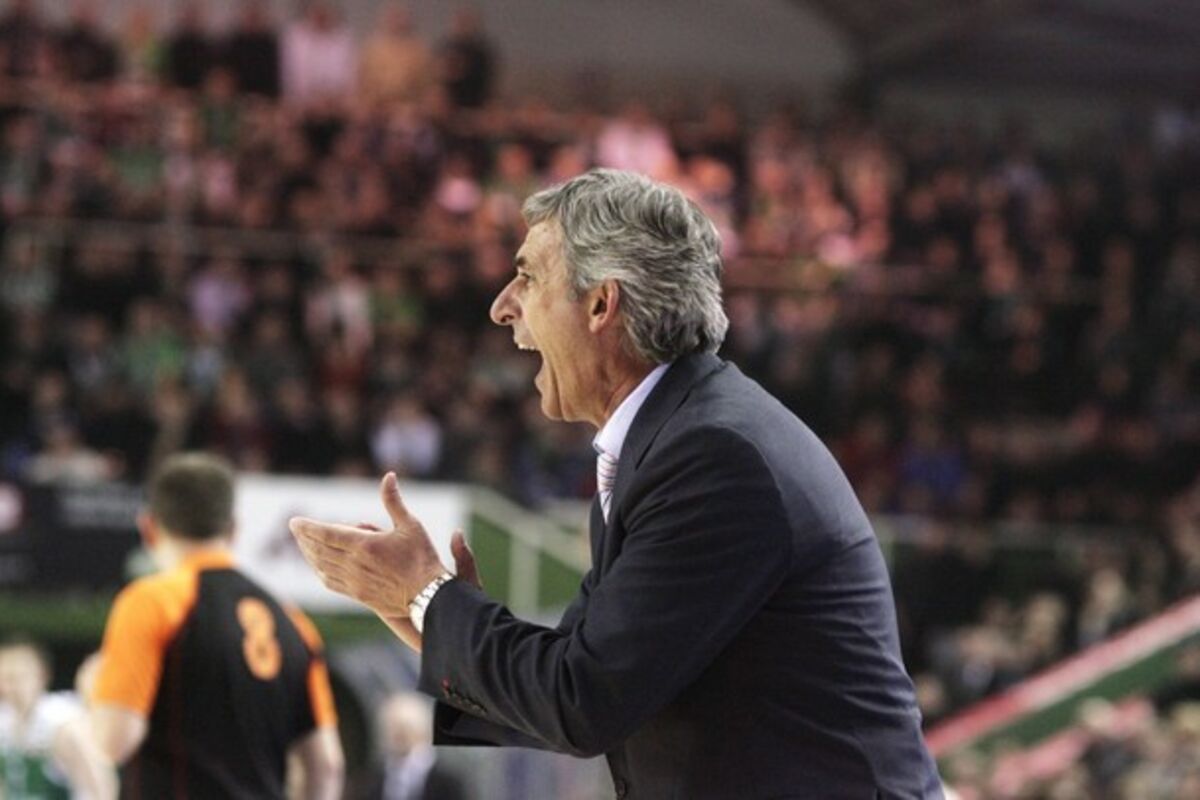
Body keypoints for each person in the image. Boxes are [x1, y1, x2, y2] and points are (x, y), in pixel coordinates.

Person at [291, 169, 944, 798]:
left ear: (602, 303)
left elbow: (584, 701)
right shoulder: (668, 443)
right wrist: (428, 618)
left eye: (527, 276)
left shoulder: (714, 458)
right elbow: (583, 689)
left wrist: (431, 598)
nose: (501, 306)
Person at [90, 452, 344, 799]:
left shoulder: (151, 602)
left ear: (148, 528)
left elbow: (113, 741)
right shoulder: (294, 622)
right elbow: (326, 766)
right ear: (233, 529)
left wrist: (94, 689)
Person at [0, 637, 115, 800]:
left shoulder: (61, 722)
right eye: (3, 678)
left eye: (15, 677)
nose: (8, 687)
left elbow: (101, 788)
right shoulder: (5, 723)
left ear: (41, 676)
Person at [352, 691, 468, 800]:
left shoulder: (447, 781)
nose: (397, 737)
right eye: (392, 730)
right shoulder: (376, 779)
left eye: (403, 730)